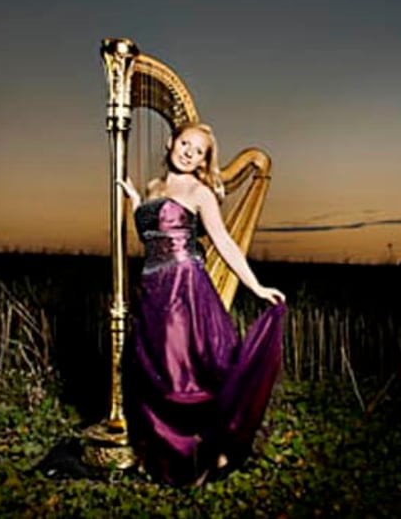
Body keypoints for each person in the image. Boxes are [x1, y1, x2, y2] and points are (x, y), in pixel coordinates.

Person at [117, 122, 286, 486]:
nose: (189, 153)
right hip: (152, 288)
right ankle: (172, 451)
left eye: (198, 152)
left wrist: (255, 286)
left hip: (184, 289)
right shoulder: (153, 187)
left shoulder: (200, 192)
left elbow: (224, 242)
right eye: (185, 144)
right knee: (154, 369)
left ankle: (206, 452)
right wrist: (135, 203)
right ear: (170, 142)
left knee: (181, 375)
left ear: (204, 161)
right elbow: (150, 235)